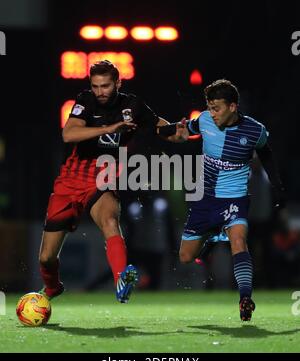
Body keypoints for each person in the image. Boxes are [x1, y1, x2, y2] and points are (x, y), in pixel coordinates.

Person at [39, 60, 170, 303]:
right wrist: (111, 128)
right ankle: (52, 288)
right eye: (95, 86)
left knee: (110, 220)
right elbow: (69, 133)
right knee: (46, 258)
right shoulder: (85, 101)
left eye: (105, 86)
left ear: (118, 83)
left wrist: (182, 132)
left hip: (103, 177)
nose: (100, 92)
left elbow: (162, 127)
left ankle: (121, 280)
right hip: (70, 181)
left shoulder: (133, 105)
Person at [159, 79, 285, 320]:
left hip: (234, 199)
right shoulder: (205, 120)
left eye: (216, 108)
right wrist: (162, 129)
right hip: (205, 201)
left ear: (233, 107)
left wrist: (277, 185)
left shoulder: (254, 130)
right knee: (185, 257)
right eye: (209, 107)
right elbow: (182, 129)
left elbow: (266, 152)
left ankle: (245, 298)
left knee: (239, 241)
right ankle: (212, 238)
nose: (212, 113)